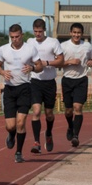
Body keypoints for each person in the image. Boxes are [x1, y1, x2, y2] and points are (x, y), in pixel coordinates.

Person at [0, 24, 41, 163]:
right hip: (9, 89)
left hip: (25, 88)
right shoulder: (3, 49)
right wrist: (3, 72)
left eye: (17, 37)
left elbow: (39, 66)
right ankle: (11, 135)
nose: (15, 39)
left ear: (22, 35)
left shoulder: (30, 49)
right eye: (12, 37)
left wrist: (32, 67)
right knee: (11, 126)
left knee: (21, 123)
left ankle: (19, 152)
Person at [27, 18, 64, 153]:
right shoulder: (30, 42)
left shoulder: (53, 42)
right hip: (35, 81)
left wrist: (46, 63)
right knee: (36, 111)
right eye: (35, 32)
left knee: (49, 114)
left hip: (49, 82)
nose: (38, 34)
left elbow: (61, 61)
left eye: (40, 32)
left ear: (44, 31)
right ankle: (36, 142)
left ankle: (48, 133)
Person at [59, 22, 92, 147]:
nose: (76, 35)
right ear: (70, 33)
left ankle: (75, 136)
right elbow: (58, 63)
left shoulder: (87, 46)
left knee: (78, 108)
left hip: (81, 80)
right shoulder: (63, 46)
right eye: (74, 33)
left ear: (82, 34)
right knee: (69, 111)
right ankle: (70, 126)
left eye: (79, 33)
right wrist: (69, 62)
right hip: (67, 80)